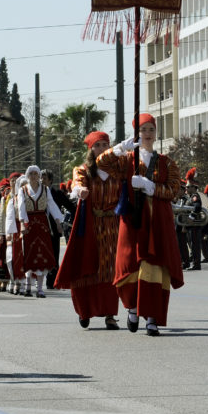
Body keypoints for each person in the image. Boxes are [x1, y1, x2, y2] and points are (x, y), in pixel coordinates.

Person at [96, 113, 184, 337]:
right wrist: (119, 148)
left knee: (154, 267)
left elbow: (173, 190)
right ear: (137, 133)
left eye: (151, 130)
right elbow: (102, 164)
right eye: (143, 130)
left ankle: (152, 318)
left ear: (156, 133)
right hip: (133, 220)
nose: (147, 134)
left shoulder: (166, 162)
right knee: (129, 265)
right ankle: (133, 309)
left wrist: (149, 186)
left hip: (157, 221)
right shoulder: (127, 160)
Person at [55, 130, 122, 330]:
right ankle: (85, 311)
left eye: (104, 145)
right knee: (87, 267)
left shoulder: (117, 170)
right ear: (91, 150)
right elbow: (77, 185)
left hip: (112, 226)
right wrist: (80, 191)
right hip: (90, 224)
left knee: (110, 269)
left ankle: (110, 314)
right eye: (97, 146)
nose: (101, 149)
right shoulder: (82, 170)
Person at [15, 165, 65, 298]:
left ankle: (40, 288)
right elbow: (21, 207)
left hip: (42, 224)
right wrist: (23, 223)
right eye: (30, 174)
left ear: (38, 176)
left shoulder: (45, 189)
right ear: (27, 176)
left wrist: (58, 222)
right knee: (29, 253)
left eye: (35, 174)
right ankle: (28, 287)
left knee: (42, 254)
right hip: (29, 224)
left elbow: (52, 205)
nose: (33, 176)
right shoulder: (23, 190)